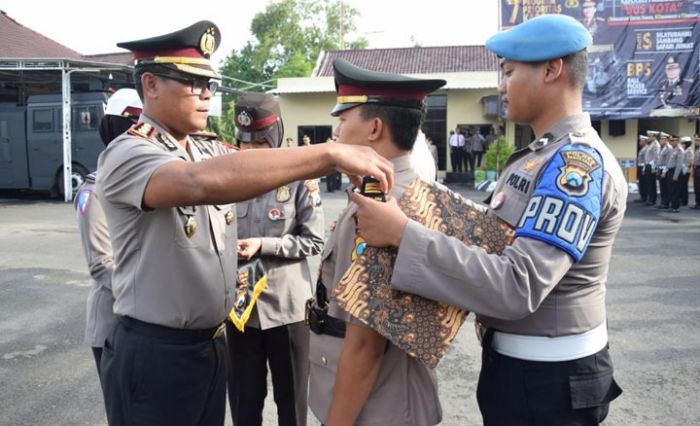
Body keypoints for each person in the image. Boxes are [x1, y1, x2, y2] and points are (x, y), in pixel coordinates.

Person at [96, 21, 394, 426]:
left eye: (211, 86)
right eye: (191, 83)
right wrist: (331, 153)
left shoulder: (203, 148)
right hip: (157, 352)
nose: (206, 95)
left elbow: (249, 161)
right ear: (150, 84)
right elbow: (197, 184)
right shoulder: (130, 152)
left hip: (210, 344)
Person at [351, 14, 624, 425]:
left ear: (553, 69)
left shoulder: (575, 165)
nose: (501, 85)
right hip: (519, 371)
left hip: (549, 384)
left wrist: (403, 234)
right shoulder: (538, 156)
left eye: (510, 72)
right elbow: (497, 234)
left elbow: (519, 284)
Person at [307, 58, 444, 426]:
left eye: (343, 120)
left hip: (375, 408)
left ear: (375, 129)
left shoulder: (380, 207)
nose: (336, 134)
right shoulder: (414, 192)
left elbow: (366, 345)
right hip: (389, 399)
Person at [226, 92, 324, 426]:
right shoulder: (224, 179)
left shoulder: (300, 180)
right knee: (244, 404)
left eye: (258, 145)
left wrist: (264, 244)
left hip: (287, 310)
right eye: (244, 144)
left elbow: (314, 241)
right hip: (240, 310)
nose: (250, 153)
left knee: (291, 406)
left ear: (276, 138)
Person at [74, 88, 142, 394]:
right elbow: (102, 265)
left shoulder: (145, 181)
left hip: (145, 325)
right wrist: (155, 294)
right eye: (137, 126)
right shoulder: (94, 191)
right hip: (113, 325)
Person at [666, 136, 683, 213]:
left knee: (675, 190)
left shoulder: (680, 150)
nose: (671, 142)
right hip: (670, 171)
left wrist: (676, 175)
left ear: (677, 141)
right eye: (670, 141)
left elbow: (679, 164)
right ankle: (673, 205)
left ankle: (676, 207)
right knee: (671, 189)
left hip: (675, 172)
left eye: (673, 141)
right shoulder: (673, 150)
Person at [644, 130, 661, 205]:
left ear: (654, 136)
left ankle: (652, 199)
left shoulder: (656, 145)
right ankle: (650, 198)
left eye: (650, 136)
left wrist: (654, 167)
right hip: (648, 165)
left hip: (652, 166)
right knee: (649, 183)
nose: (649, 137)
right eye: (648, 136)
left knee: (652, 183)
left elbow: (656, 157)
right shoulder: (651, 144)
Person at [657, 132, 672, 209]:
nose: (660, 140)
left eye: (662, 139)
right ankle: (663, 202)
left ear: (666, 140)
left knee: (665, 188)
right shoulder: (662, 148)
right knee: (662, 187)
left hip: (665, 170)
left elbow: (668, 161)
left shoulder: (669, 148)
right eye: (660, 139)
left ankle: (666, 203)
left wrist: (664, 172)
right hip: (661, 169)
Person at [635, 134, 649, 202]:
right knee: (641, 183)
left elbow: (646, 159)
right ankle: (642, 196)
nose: (640, 142)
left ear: (645, 142)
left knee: (644, 183)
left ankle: (644, 197)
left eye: (641, 141)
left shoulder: (646, 149)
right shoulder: (643, 149)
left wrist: (644, 168)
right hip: (640, 166)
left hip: (643, 167)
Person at [680, 136, 693, 206]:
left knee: (684, 186)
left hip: (686, 170)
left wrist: (684, 169)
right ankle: (681, 199)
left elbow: (689, 162)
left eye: (683, 143)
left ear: (687, 143)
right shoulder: (684, 150)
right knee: (681, 186)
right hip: (682, 169)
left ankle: (684, 201)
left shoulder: (689, 151)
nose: (682, 144)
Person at [693, 136, 700, 209]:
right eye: (696, 140)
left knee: (699, 187)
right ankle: (697, 202)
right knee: (696, 187)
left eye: (698, 140)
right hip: (696, 169)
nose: (696, 142)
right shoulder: (697, 149)